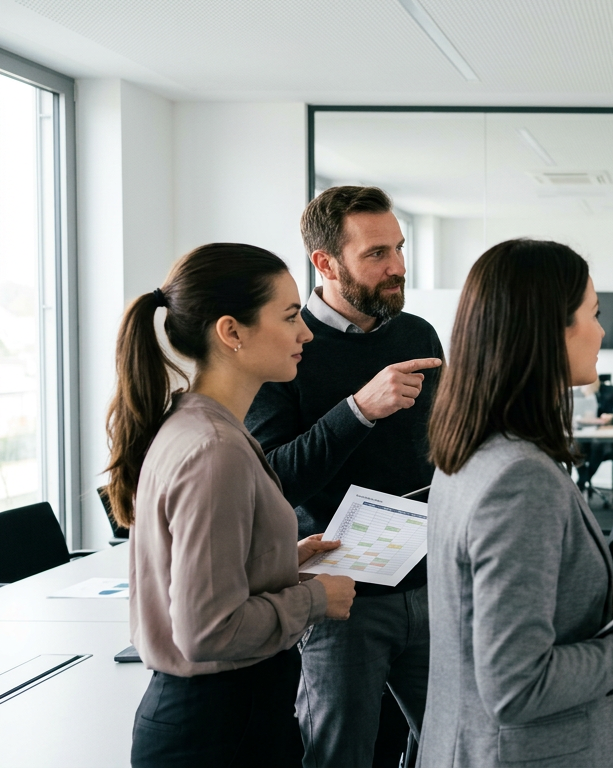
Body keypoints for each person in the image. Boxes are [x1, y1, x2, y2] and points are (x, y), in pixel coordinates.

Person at [420, 238, 613, 768]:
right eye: (593, 315)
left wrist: (606, 593)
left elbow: (480, 607)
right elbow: (517, 686)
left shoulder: (470, 450)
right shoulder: (519, 478)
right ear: (550, 330)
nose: (601, 332)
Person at [107, 244, 357, 768]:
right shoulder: (214, 450)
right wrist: (315, 599)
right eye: (290, 317)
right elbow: (209, 632)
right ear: (231, 332)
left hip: (225, 719)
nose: (306, 333)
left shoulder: (200, 426)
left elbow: (198, 584)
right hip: (220, 729)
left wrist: (281, 561)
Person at [246, 186, 444, 767]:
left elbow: (438, 448)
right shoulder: (283, 349)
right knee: (341, 755)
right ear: (326, 263)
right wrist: (359, 409)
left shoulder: (417, 335)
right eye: (377, 254)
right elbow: (274, 481)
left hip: (428, 585)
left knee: (459, 746)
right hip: (340, 598)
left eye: (400, 249)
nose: (398, 267)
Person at [575, 373, 613, 503]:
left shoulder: (607, 390)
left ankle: (582, 481)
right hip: (583, 435)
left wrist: (611, 416)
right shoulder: (577, 393)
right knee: (573, 447)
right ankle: (585, 480)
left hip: (602, 435)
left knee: (599, 445)